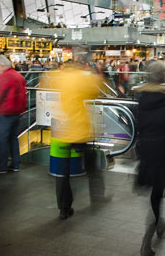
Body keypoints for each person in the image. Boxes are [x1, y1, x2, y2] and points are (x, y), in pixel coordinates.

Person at [42, 62, 102, 219]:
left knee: (62, 173)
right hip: (78, 130)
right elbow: (96, 88)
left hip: (61, 130)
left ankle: (64, 208)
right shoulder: (80, 78)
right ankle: (97, 197)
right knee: (91, 164)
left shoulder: (56, 77)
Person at [135, 61, 165, 256]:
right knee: (156, 197)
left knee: (155, 194)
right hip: (162, 157)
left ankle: (160, 228)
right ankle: (146, 244)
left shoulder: (141, 100)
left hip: (147, 155)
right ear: (164, 78)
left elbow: (139, 129)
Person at [0, 55, 27, 174]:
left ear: (2, 65)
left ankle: (2, 166)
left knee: (2, 139)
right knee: (13, 138)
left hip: (5, 112)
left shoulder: (4, 77)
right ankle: (15, 164)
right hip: (17, 112)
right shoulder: (18, 75)